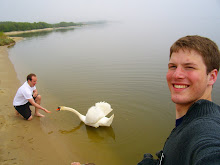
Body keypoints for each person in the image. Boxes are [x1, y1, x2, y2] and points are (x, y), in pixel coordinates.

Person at [138, 35, 220, 165]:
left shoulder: (207, 129)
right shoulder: (188, 120)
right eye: (173, 66)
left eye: (189, 67)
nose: (177, 75)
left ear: (212, 77)